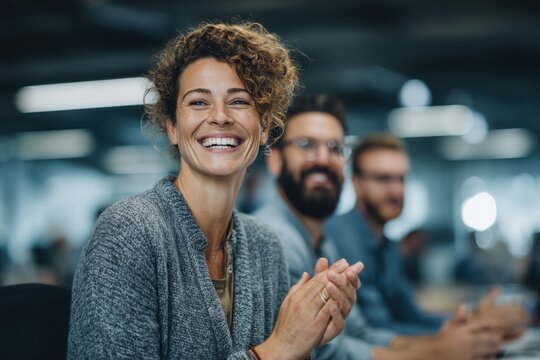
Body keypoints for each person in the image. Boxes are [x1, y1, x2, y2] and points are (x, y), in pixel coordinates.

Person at [68, 22, 362, 360]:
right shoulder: (129, 232)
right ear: (172, 127)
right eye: (198, 103)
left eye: (239, 101)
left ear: (265, 126)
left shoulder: (266, 247)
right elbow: (274, 351)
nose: (220, 117)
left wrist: (308, 342)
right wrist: (277, 349)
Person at [256, 95, 501, 359]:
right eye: (306, 145)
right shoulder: (273, 240)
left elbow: (359, 333)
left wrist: (451, 339)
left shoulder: (324, 241)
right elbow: (324, 353)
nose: (323, 159)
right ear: (275, 160)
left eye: (335, 148)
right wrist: (436, 351)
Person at [326, 134, 530, 339]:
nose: (396, 190)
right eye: (383, 179)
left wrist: (472, 319)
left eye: (402, 178)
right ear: (356, 182)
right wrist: (473, 327)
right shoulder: (342, 238)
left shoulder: (387, 245)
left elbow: (409, 315)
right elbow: (374, 328)